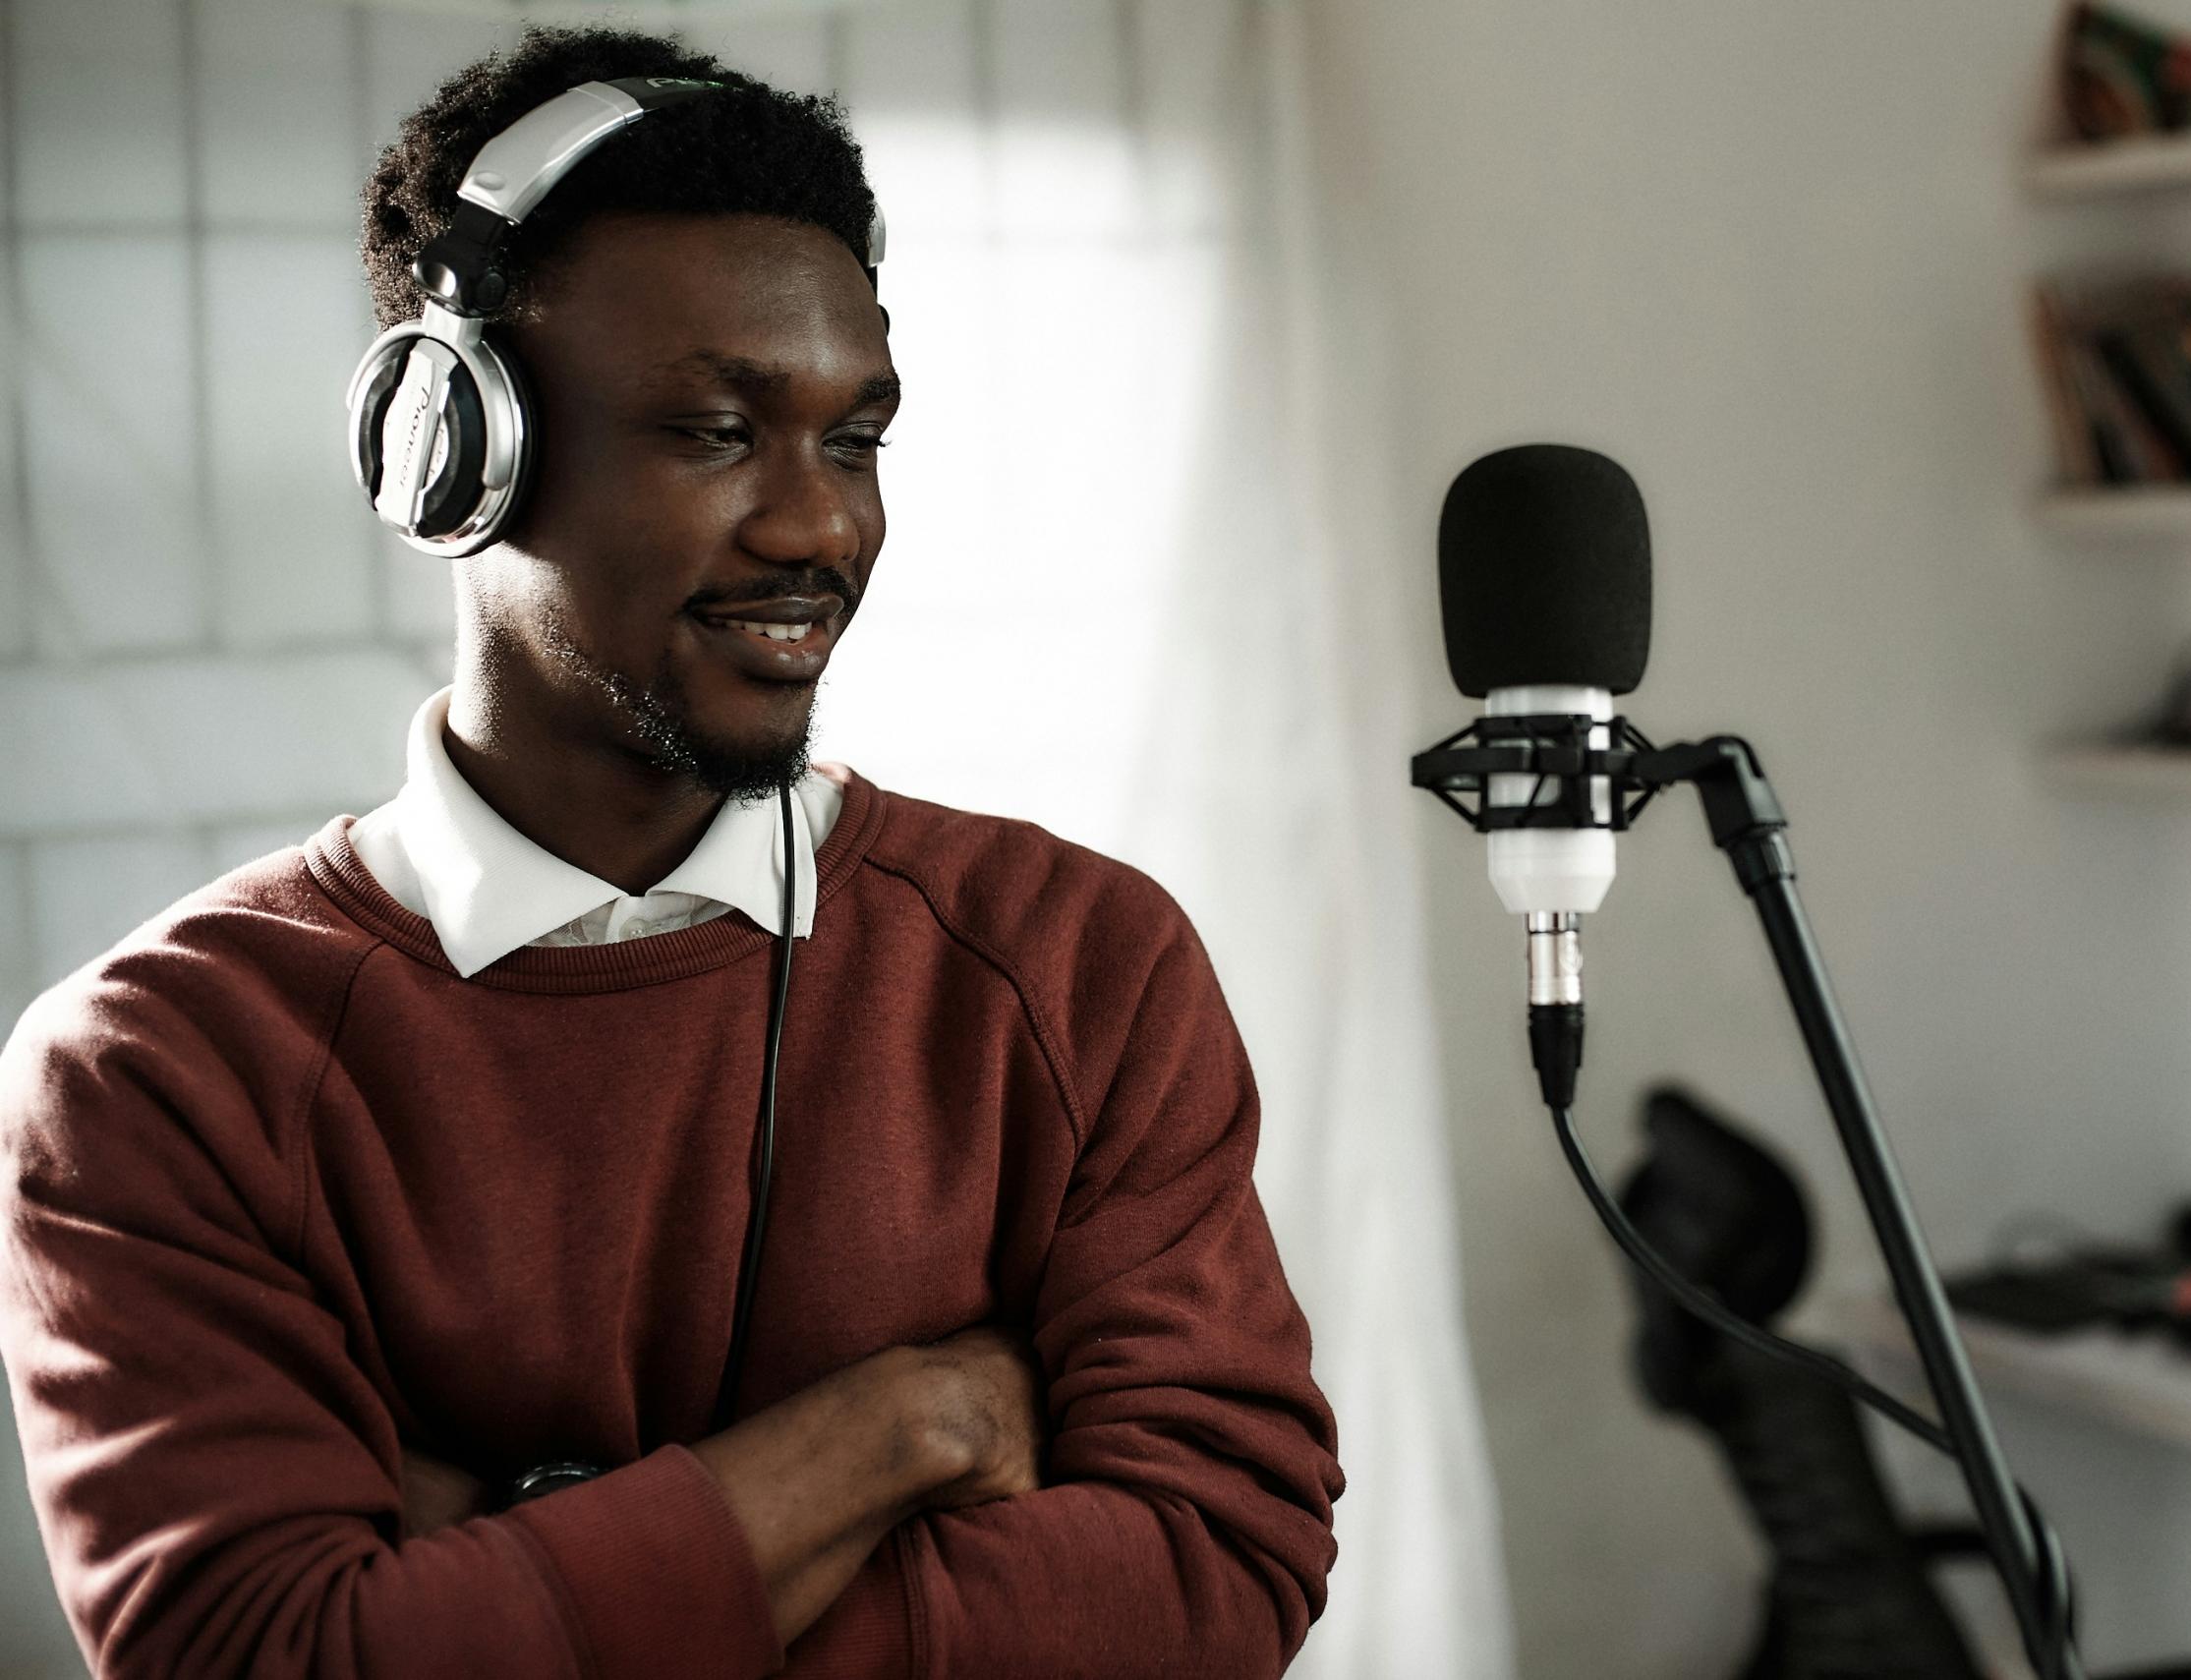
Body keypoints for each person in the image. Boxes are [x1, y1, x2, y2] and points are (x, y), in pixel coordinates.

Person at [0, 26, 1340, 1680]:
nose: (820, 529)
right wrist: (901, 1430)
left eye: (855, 438)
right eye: (716, 431)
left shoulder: (1080, 963)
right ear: (452, 458)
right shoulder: (153, 1070)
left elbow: (1217, 1573)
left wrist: (516, 1552)